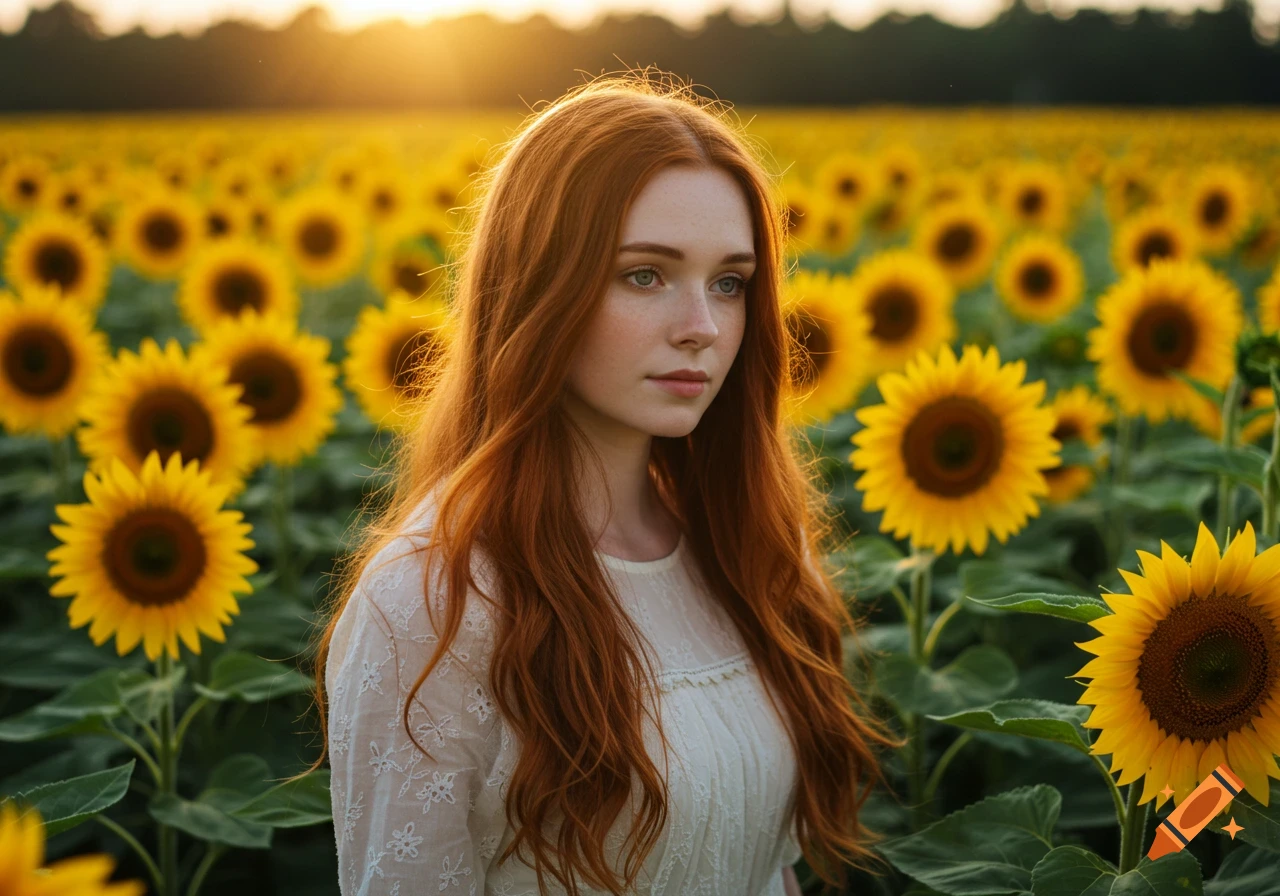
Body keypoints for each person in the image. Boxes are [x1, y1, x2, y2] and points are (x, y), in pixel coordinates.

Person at [302, 68, 900, 896]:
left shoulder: (747, 543)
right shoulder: (433, 601)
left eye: (730, 283)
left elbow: (771, 870)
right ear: (541, 285)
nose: (701, 328)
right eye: (645, 275)